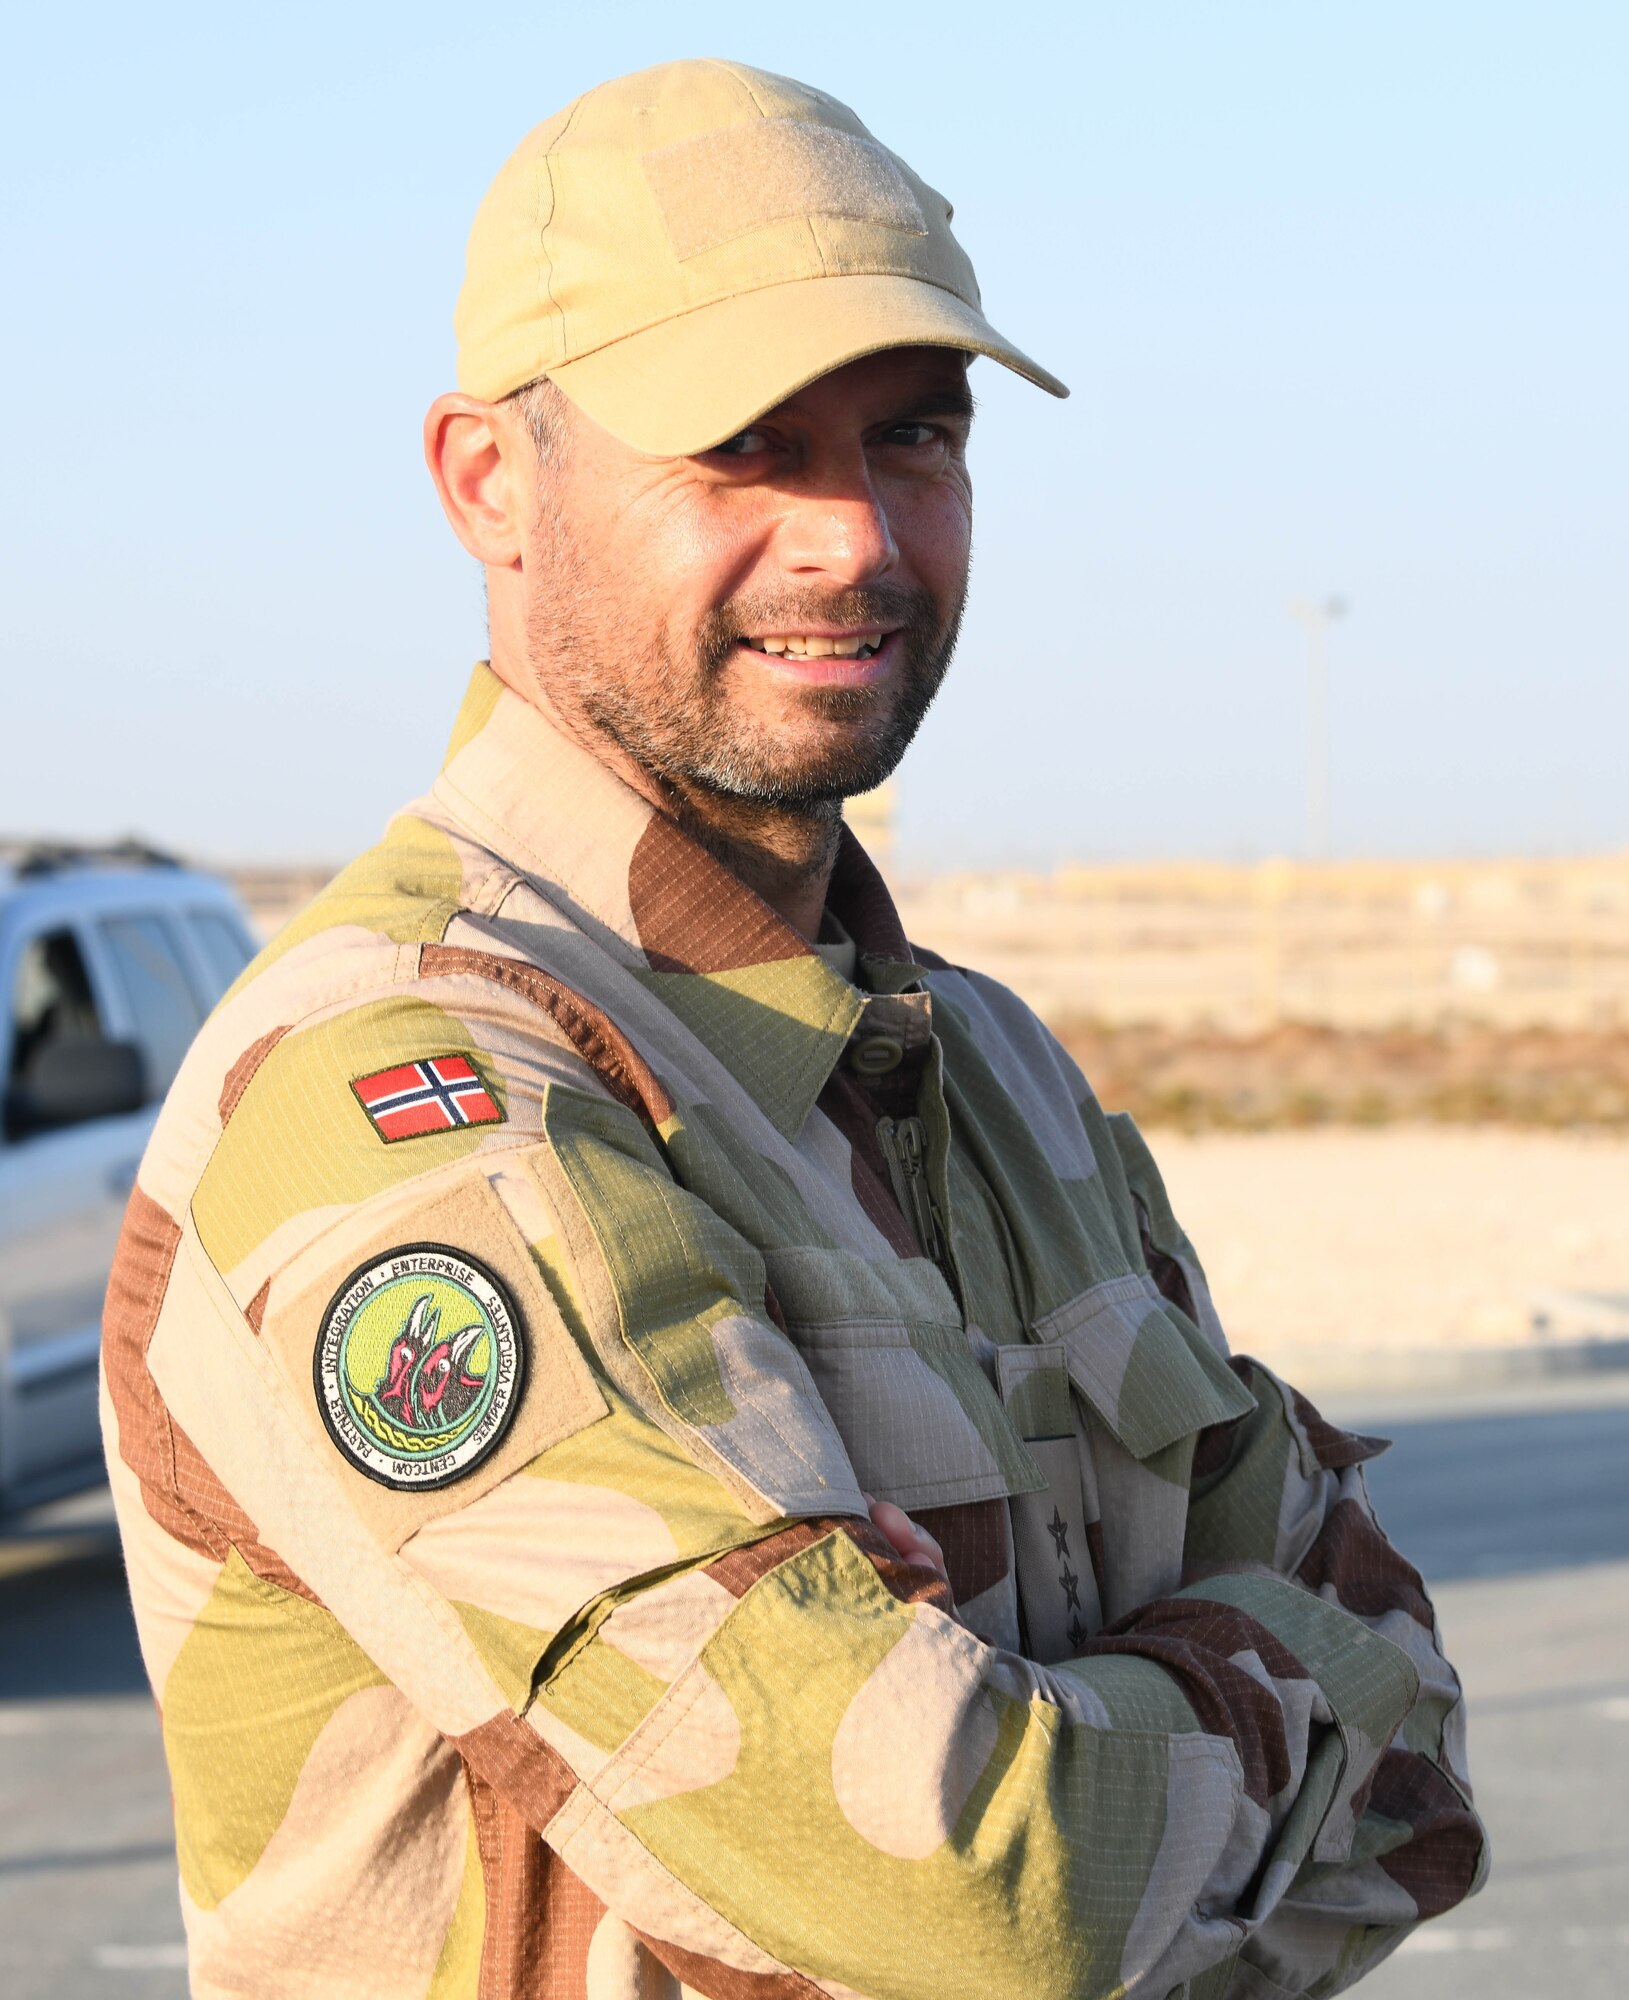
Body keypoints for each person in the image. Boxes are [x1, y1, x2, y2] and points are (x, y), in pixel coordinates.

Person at [103, 57, 1485, 2000]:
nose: (851, 537)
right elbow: (966, 1895)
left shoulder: (994, 1074)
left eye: (910, 436)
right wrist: (1304, 1681)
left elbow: (1415, 1804)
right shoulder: (412, 1094)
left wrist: (1120, 1793)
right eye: (745, 449)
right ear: (488, 482)